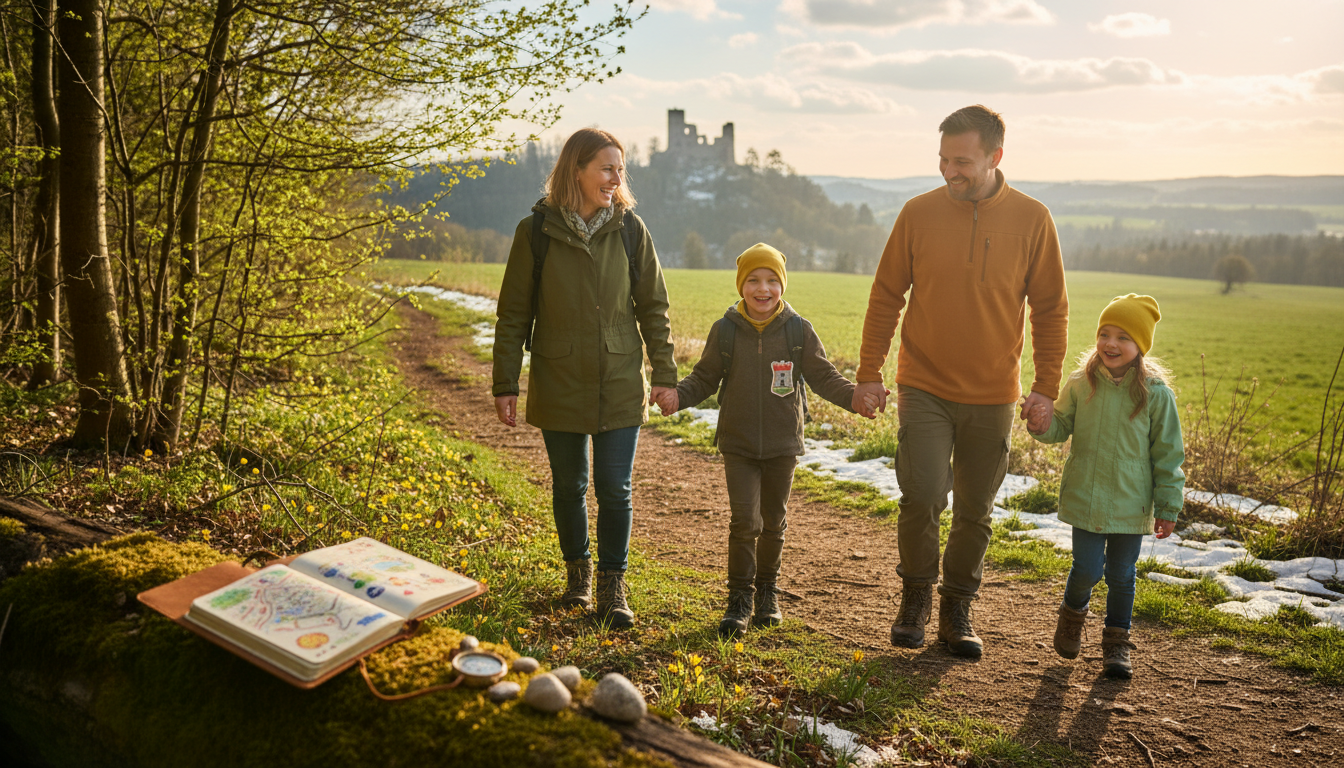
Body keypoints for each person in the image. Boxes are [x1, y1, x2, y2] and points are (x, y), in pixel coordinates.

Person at [853, 105, 1069, 659]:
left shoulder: (1033, 218)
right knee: (922, 493)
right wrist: (870, 372)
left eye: (963, 161)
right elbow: (885, 295)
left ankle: (957, 608)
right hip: (922, 382)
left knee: (976, 507)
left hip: (994, 393)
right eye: (944, 159)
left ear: (996, 157)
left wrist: (1045, 386)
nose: (950, 171)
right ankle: (916, 598)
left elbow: (1050, 309)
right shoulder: (917, 213)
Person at [491, 128, 676, 629]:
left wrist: (665, 374)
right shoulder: (535, 232)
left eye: (621, 170)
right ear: (577, 170)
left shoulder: (632, 230)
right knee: (569, 485)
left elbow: (654, 309)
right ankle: (578, 575)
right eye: (607, 169)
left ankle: (612, 586)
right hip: (559, 376)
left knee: (615, 488)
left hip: (619, 376)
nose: (617, 180)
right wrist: (505, 383)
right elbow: (513, 314)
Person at [662, 244, 861, 638]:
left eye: (771, 280)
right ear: (741, 285)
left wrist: (856, 398)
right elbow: (703, 377)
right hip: (737, 443)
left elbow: (823, 377)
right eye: (753, 280)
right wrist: (677, 396)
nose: (762, 288)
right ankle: (739, 600)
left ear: (781, 285)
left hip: (784, 443)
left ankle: (767, 593)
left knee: (774, 522)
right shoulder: (725, 331)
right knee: (744, 521)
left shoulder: (798, 330)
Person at [1028, 294, 1184, 679]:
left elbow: (1168, 455)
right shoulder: (1082, 383)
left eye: (1123, 337)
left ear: (1140, 346)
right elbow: (1060, 425)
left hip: (1131, 505)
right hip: (1086, 495)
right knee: (1085, 569)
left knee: (1121, 574)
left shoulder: (1155, 394)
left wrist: (1168, 506)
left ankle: (1116, 645)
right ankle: (1071, 617)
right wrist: (1041, 424)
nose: (1111, 344)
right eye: (1104, 333)